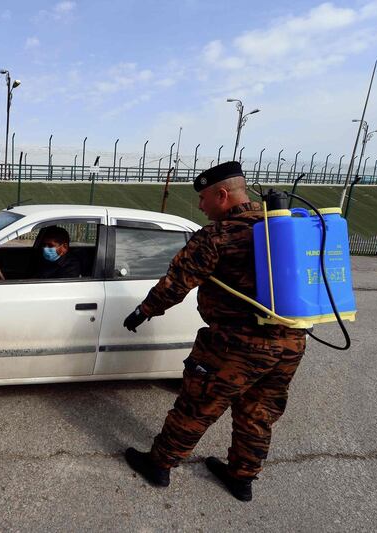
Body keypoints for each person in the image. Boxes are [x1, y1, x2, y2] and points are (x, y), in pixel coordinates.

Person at [121, 161, 306, 502]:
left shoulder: (218, 236)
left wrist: (144, 310)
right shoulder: (282, 229)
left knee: (198, 405)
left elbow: (176, 284)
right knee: (259, 414)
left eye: (204, 199)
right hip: (290, 343)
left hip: (237, 345)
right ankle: (241, 477)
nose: (201, 207)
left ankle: (159, 464)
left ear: (223, 195)